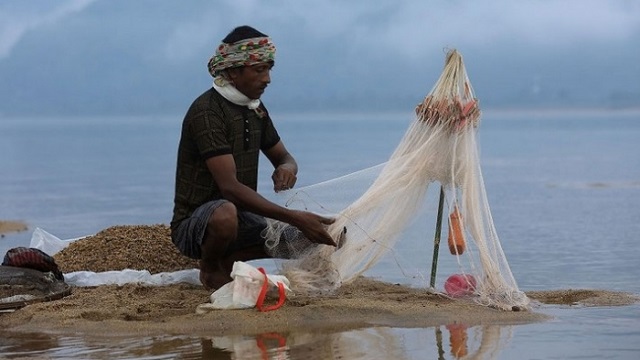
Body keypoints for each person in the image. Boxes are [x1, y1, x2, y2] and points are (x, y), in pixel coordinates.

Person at [170, 25, 337, 290]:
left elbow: (283, 155)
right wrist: (293, 216)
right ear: (234, 72)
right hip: (198, 225)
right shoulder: (207, 112)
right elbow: (230, 189)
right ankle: (211, 268)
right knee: (225, 213)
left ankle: (230, 259)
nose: (267, 79)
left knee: (323, 236)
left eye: (269, 69)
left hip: (244, 221)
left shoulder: (255, 110)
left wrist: (286, 167)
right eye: (259, 70)